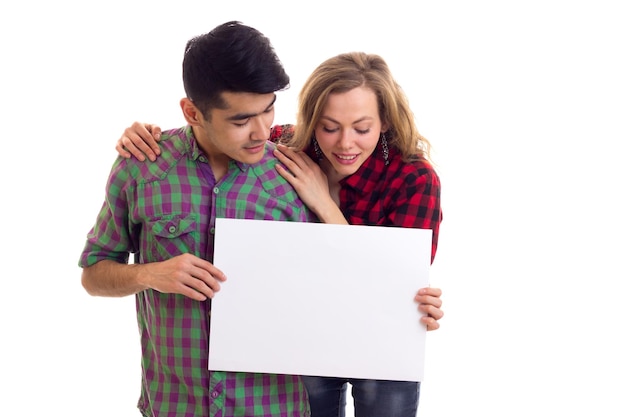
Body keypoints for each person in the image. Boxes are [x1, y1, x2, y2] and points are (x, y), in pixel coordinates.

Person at [117, 52, 444, 417]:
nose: (345, 143)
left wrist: (325, 204)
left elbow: (393, 284)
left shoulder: (414, 178)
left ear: (384, 122)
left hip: (380, 342)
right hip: (304, 334)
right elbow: (223, 132)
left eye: (362, 129)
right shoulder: (286, 148)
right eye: (329, 127)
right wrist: (148, 137)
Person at [78, 21, 314, 417]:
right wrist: (148, 275)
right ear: (192, 112)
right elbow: (93, 274)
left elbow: (338, 289)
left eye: (269, 109)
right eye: (241, 121)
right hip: (174, 405)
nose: (261, 132)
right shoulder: (141, 167)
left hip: (273, 406)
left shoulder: (297, 176)